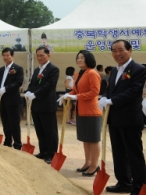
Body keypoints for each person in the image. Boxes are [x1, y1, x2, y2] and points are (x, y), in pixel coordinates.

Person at [101, 40, 146, 194]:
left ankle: (139, 186)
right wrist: (104, 97)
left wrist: (113, 100)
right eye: (114, 51)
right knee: (118, 152)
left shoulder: (138, 69)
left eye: (121, 50)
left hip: (130, 119)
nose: (117, 54)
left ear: (130, 50)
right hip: (114, 118)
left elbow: (134, 91)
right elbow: (109, 89)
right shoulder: (114, 70)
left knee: (134, 154)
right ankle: (124, 182)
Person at [59, 50, 102, 176]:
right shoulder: (78, 74)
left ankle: (94, 165)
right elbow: (75, 90)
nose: (79, 60)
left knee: (93, 140)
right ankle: (87, 162)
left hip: (92, 111)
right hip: (81, 111)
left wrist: (77, 97)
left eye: (82, 57)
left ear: (88, 59)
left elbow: (95, 92)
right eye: (78, 58)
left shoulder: (92, 73)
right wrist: (68, 94)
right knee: (85, 139)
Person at [25, 46, 59, 164]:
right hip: (36, 105)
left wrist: (35, 94)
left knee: (50, 130)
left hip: (47, 105)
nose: (39, 58)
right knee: (40, 129)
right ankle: (43, 151)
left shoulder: (53, 69)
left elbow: (48, 86)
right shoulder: (36, 70)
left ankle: (51, 153)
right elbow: (32, 83)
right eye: (37, 55)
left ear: (48, 55)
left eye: (42, 55)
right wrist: (28, 91)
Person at [0, 48, 24, 148]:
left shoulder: (18, 69)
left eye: (8, 55)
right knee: (5, 121)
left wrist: (6, 89)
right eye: (4, 55)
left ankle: (17, 143)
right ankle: (7, 141)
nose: (6, 57)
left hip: (12, 99)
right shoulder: (2, 69)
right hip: (2, 99)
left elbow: (18, 82)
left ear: (12, 56)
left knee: (14, 122)